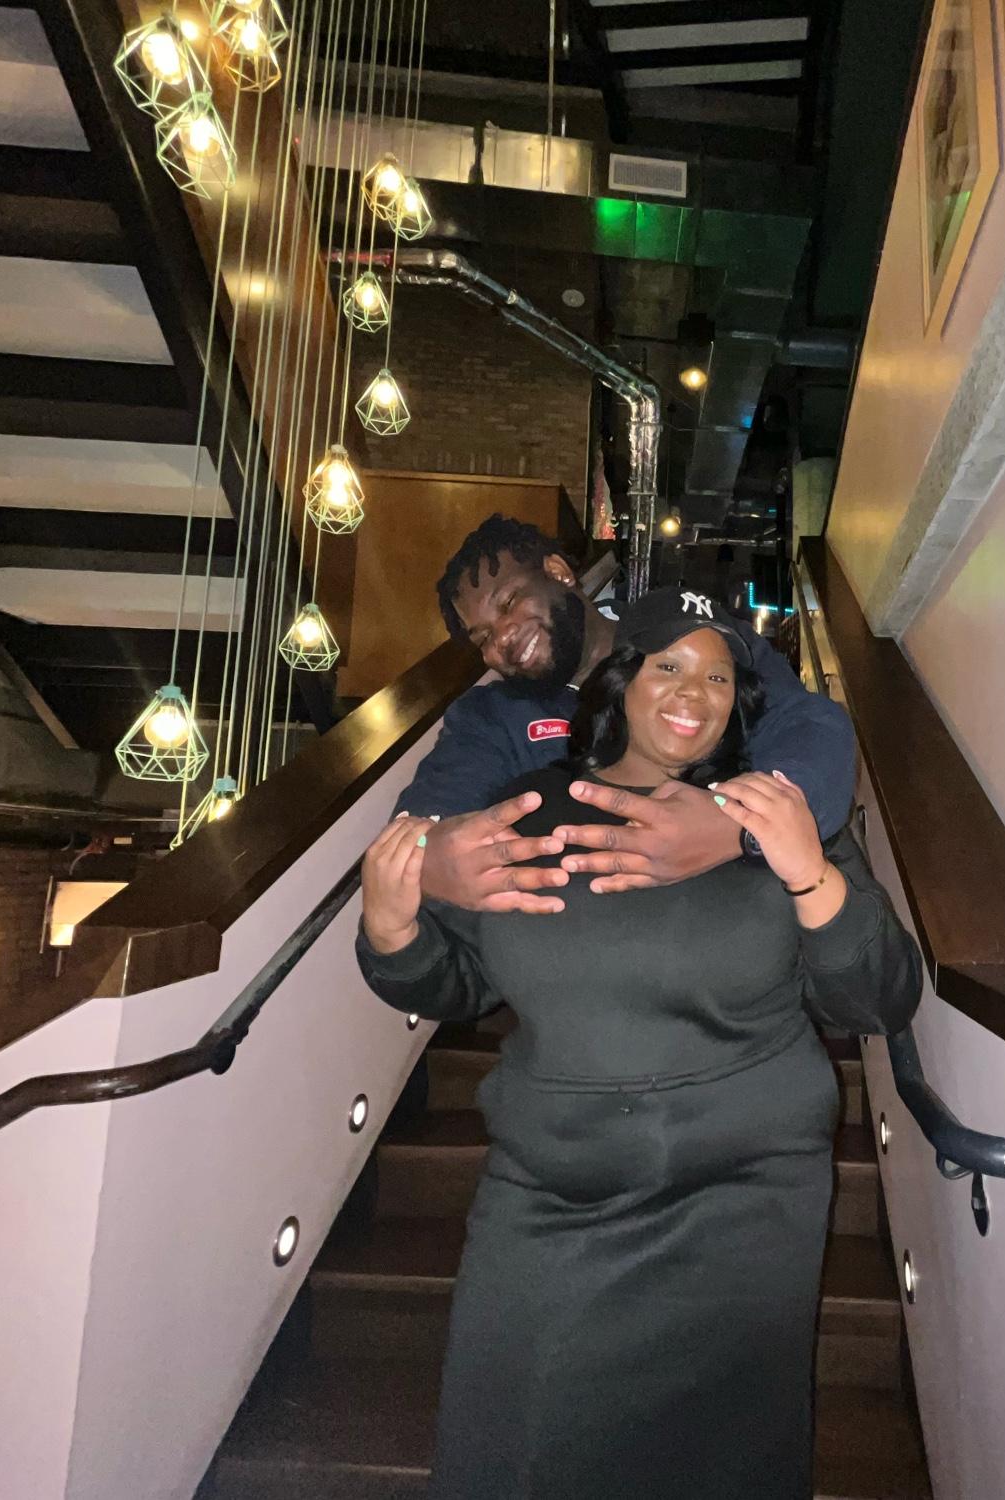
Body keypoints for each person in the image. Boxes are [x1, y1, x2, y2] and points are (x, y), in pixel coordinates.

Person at [357, 587, 922, 1500]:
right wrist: (391, 931)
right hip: (554, 1198)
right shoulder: (524, 815)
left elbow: (879, 996)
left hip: (749, 1204)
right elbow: (456, 984)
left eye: (719, 676)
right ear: (622, 680)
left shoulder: (767, 816)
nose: (695, 691)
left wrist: (805, 870)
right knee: (513, 1453)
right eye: (668, 665)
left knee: (725, 1466)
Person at [393, 515, 856, 914]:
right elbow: (425, 818)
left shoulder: (692, 635)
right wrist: (429, 856)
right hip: (586, 934)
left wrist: (738, 829)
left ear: (558, 572)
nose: (504, 638)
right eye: (483, 638)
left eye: (510, 603)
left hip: (736, 915)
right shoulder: (492, 716)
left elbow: (810, 727)